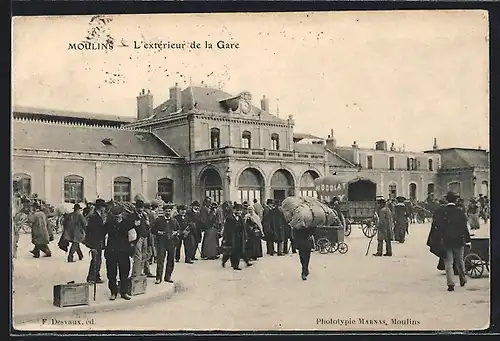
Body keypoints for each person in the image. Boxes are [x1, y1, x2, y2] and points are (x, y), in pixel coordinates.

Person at [434, 191, 470, 291]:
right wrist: (468, 240)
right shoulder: (460, 212)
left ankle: (450, 284)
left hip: (446, 241)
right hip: (458, 241)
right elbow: (464, 227)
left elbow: (438, 226)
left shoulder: (442, 212)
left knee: (448, 263)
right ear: (455, 200)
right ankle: (462, 279)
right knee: (460, 261)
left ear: (447, 200)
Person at [103, 205, 136, 300]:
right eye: (115, 215)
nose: (117, 216)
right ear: (113, 215)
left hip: (123, 252)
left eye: (119, 214)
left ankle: (124, 292)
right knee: (111, 273)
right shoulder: (109, 224)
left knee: (124, 273)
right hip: (111, 252)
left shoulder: (128, 223)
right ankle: (113, 292)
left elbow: (133, 237)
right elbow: (103, 235)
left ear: (122, 214)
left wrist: (131, 248)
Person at [152, 204, 180, 284]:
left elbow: (179, 230)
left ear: (171, 212)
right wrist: (158, 232)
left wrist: (176, 233)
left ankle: (168, 277)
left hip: (171, 243)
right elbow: (153, 230)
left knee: (171, 260)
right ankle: (158, 278)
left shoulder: (174, 221)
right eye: (166, 211)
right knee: (160, 260)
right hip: (162, 243)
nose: (168, 212)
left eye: (169, 211)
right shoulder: (159, 220)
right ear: (164, 212)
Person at [222, 203, 253, 270]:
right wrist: (225, 238)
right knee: (231, 251)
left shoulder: (240, 218)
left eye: (240, 210)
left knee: (240, 250)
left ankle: (240, 264)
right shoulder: (229, 218)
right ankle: (225, 261)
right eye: (238, 210)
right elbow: (226, 229)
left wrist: (245, 236)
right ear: (234, 210)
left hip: (240, 237)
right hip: (232, 237)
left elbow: (244, 228)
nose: (239, 212)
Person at [84, 199, 107, 283]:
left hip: (98, 241)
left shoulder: (97, 216)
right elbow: (92, 231)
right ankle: (92, 278)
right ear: (100, 207)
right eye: (103, 207)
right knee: (96, 260)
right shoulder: (95, 217)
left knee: (98, 260)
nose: (104, 209)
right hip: (95, 241)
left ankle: (96, 276)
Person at [131, 199, 153, 278]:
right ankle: (135, 275)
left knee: (144, 256)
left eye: (141, 208)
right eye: (138, 208)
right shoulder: (132, 216)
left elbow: (148, 226)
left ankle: (140, 272)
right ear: (135, 208)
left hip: (144, 237)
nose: (140, 209)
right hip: (137, 238)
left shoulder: (144, 215)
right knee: (138, 257)